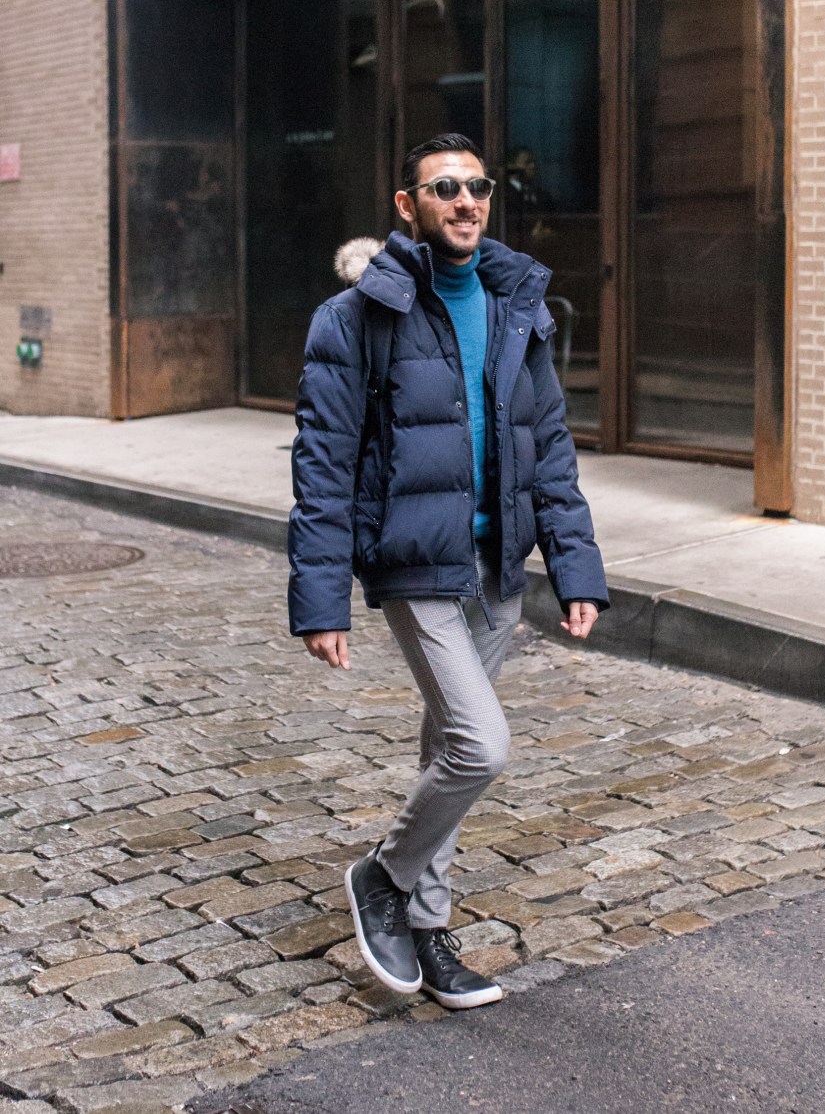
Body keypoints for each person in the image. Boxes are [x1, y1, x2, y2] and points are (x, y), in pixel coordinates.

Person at [288, 132, 608, 1010]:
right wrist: (321, 597)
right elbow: (323, 465)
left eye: (477, 186)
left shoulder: (516, 304)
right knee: (480, 743)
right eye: (444, 188)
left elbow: (548, 445)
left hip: (498, 562)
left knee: (445, 746)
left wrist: (574, 564)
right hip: (415, 557)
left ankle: (427, 930)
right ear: (408, 206)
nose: (465, 201)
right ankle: (383, 873)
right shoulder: (354, 316)